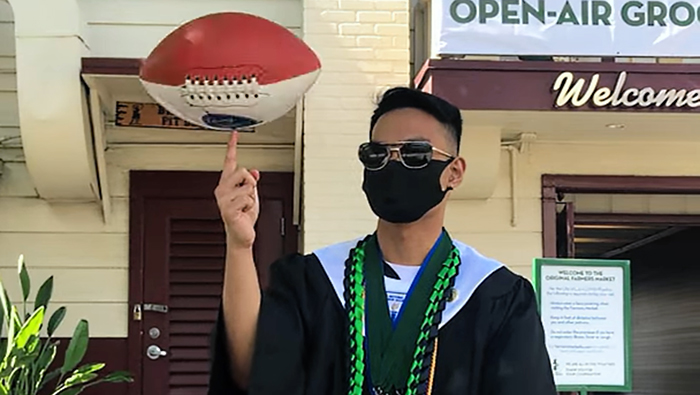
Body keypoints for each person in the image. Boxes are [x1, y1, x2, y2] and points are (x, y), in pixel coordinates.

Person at [207, 87, 558, 395]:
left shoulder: (495, 295)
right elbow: (252, 374)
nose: (393, 165)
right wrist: (239, 245)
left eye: (415, 153)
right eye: (376, 155)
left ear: (454, 172)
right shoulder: (314, 281)